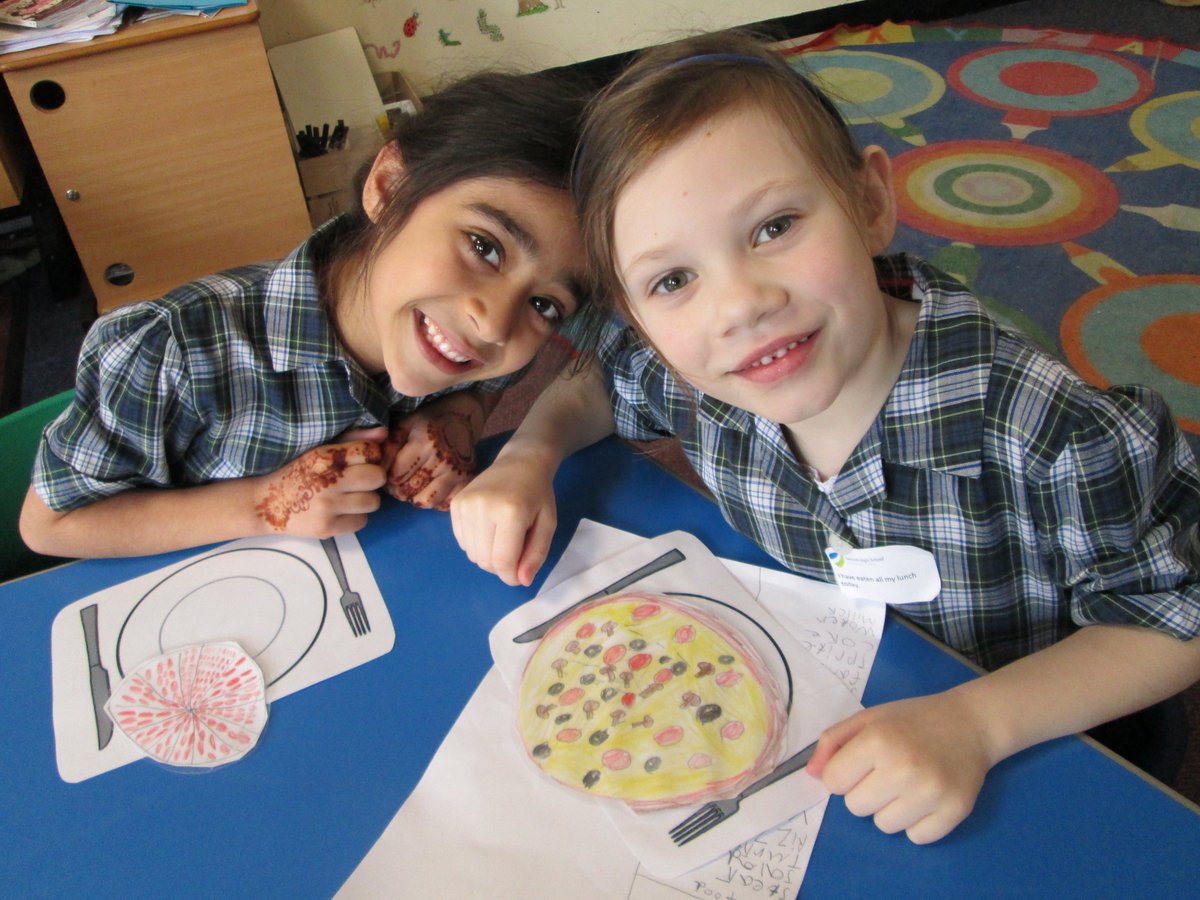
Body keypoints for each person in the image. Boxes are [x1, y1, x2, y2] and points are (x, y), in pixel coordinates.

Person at [449, 31, 1200, 843]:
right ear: (638, 318)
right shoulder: (706, 378)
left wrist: (980, 722)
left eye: (774, 227)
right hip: (860, 687)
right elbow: (600, 379)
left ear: (869, 202)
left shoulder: (1045, 431)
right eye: (673, 281)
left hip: (1052, 739)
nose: (739, 305)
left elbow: (1175, 613)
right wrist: (530, 454)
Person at [20, 70, 592, 559]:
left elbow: (504, 370)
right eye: (484, 247)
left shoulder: (462, 336)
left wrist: (461, 411)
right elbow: (49, 526)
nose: (494, 326)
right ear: (390, 187)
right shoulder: (173, 349)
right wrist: (263, 505)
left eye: (544, 304)